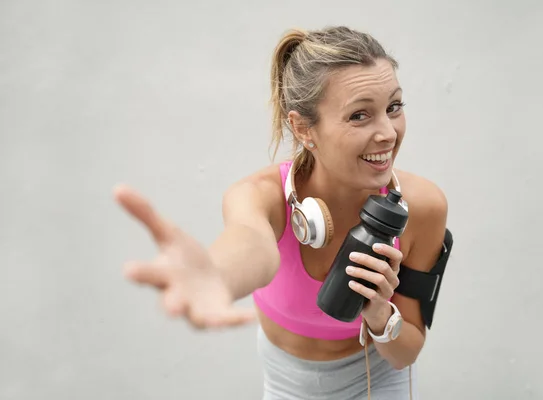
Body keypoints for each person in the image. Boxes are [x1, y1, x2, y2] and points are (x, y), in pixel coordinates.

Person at [114, 25, 448, 400]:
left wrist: (379, 317)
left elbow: (406, 353)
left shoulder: (423, 208)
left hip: (376, 379)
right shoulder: (261, 197)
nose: (387, 132)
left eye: (394, 107)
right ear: (304, 128)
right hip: (287, 382)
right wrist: (214, 278)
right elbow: (249, 246)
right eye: (359, 116)